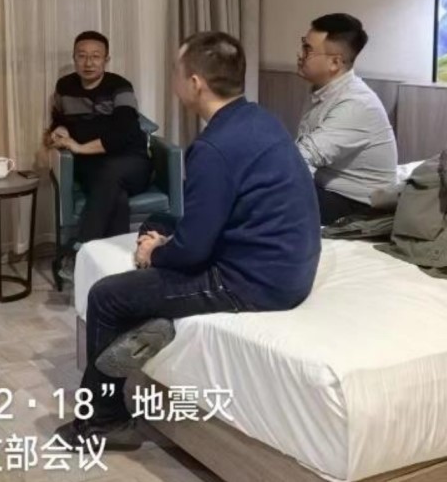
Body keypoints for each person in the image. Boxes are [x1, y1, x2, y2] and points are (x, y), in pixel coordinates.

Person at [55, 32, 321, 448]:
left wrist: (156, 254)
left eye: (176, 72)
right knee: (160, 219)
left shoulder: (214, 147)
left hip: (254, 281)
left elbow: (194, 250)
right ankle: (147, 321)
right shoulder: (259, 119)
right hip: (285, 263)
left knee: (107, 296)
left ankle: (104, 422)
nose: (174, 80)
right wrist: (162, 237)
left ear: (195, 83)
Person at [47, 31, 151, 278]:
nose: (88, 62)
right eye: (82, 56)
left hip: (133, 163)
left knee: (111, 173)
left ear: (106, 59)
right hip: (92, 167)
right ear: (74, 58)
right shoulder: (65, 86)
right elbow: (59, 119)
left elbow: (123, 134)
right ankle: (116, 271)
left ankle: (80, 251)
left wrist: (80, 147)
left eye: (95, 56)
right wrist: (60, 130)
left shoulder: (120, 87)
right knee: (117, 197)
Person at [296, 13, 398, 225]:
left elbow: (303, 156)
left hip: (358, 206)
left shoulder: (357, 103)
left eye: (307, 49)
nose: (300, 55)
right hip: (330, 191)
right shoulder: (325, 91)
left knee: (263, 197)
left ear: (335, 62)